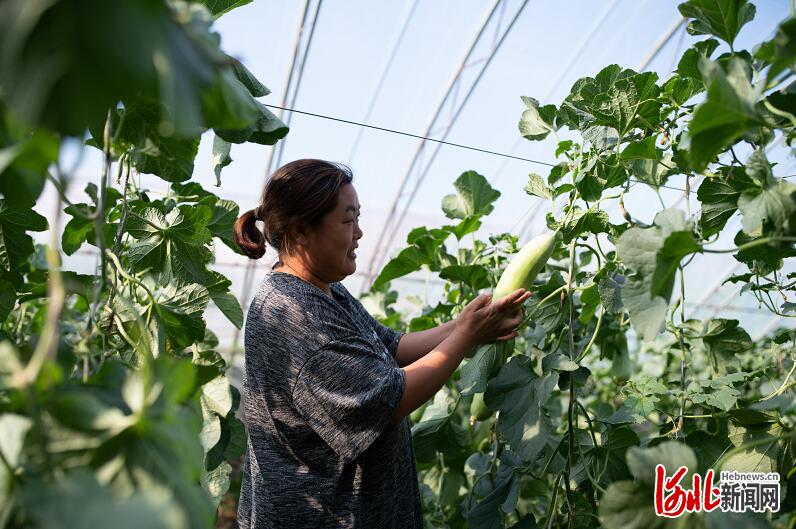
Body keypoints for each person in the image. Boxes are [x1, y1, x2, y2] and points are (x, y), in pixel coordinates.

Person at [231, 158, 530, 529]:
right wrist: (467, 336)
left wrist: (466, 324)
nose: (359, 233)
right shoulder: (294, 314)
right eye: (348, 220)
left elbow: (392, 346)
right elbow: (387, 401)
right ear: (301, 230)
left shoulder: (325, 292)